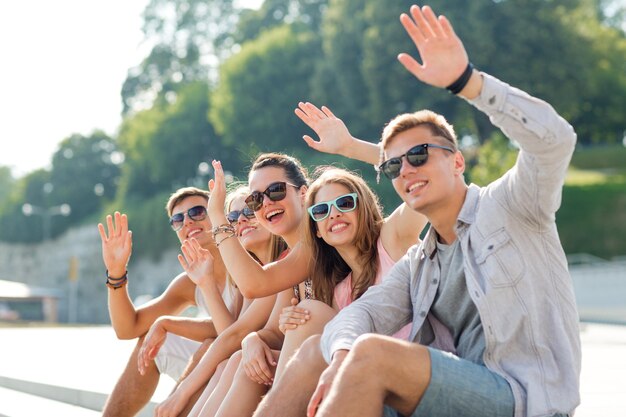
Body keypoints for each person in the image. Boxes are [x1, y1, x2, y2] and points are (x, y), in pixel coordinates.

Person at [254, 4, 581, 417]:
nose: (406, 169)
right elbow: (361, 314)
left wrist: (469, 83)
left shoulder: (512, 205)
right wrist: (339, 355)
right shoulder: (419, 263)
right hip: (450, 395)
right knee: (316, 356)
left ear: (458, 161)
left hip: (522, 398)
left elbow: (554, 140)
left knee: (371, 354)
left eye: (420, 155)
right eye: (393, 165)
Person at [98, 187, 242, 417]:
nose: (187, 222)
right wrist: (116, 272)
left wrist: (168, 323)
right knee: (152, 342)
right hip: (221, 358)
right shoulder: (188, 282)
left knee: (207, 347)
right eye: (177, 219)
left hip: (249, 358)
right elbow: (128, 328)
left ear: (217, 213)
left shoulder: (245, 258)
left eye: (197, 212)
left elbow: (236, 328)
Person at [152, 186, 287, 417]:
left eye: (249, 211)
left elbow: (234, 337)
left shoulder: (283, 265)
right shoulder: (250, 274)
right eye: (233, 217)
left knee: (232, 361)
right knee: (227, 363)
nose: (241, 220)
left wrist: (182, 392)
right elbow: (230, 333)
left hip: (284, 361)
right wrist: (206, 283)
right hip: (255, 362)